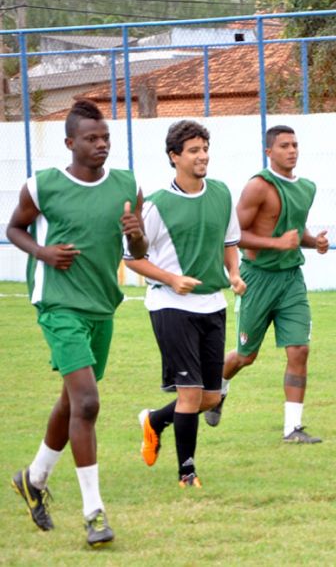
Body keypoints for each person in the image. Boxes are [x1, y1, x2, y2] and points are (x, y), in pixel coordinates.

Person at [7, 99, 147, 546]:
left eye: (105, 137)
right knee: (87, 402)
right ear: (70, 143)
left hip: (102, 305)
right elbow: (14, 229)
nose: (101, 144)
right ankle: (94, 513)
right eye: (91, 138)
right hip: (58, 304)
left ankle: (34, 478)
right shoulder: (43, 186)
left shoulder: (127, 185)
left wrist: (136, 233)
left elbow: (140, 253)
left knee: (72, 402)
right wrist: (45, 254)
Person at [126, 121, 246, 488]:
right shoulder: (159, 204)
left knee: (210, 397)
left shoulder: (222, 193)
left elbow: (229, 241)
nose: (202, 156)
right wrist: (172, 279)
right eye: (193, 150)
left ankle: (155, 421)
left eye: (205, 148)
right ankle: (187, 473)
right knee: (190, 394)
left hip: (213, 304)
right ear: (174, 157)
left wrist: (234, 273)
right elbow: (132, 258)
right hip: (170, 306)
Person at [205, 125, 329, 443]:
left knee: (299, 349)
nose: (292, 150)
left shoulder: (306, 188)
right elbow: (232, 234)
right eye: (284, 145)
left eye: (295, 145)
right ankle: (218, 389)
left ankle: (293, 428)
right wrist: (277, 244)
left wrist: (314, 242)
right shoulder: (257, 187)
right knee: (246, 356)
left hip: (291, 280)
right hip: (257, 279)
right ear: (269, 151)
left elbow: (294, 232)